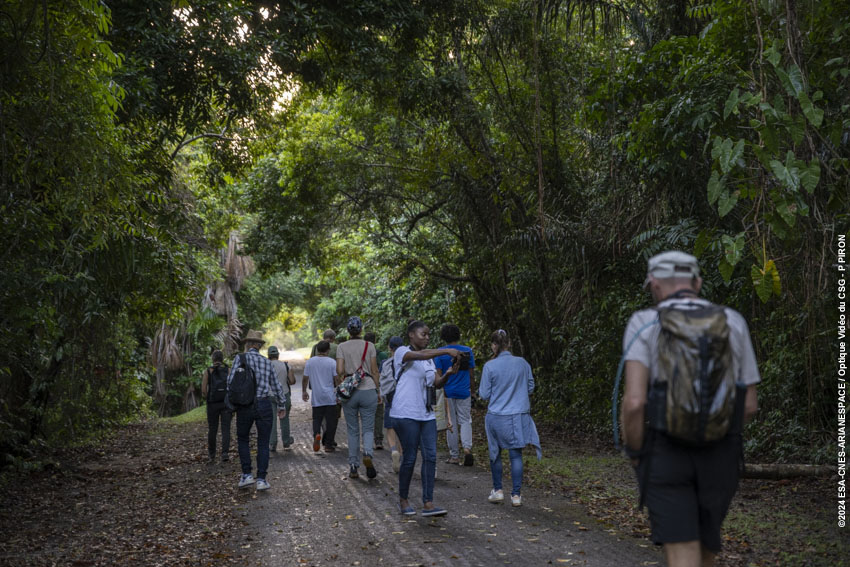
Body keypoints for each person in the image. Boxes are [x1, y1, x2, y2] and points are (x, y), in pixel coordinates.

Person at [620, 251, 760, 567]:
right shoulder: (732, 321)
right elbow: (749, 404)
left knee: (681, 551)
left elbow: (634, 403)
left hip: (665, 451)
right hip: (721, 453)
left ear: (653, 284)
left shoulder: (645, 323)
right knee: (705, 550)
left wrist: (635, 451)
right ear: (697, 282)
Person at [391, 320, 461, 517]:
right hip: (405, 413)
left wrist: (447, 374)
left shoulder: (429, 360)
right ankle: (403, 500)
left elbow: (436, 384)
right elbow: (419, 355)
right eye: (423, 334)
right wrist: (446, 351)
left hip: (426, 414)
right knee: (411, 457)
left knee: (430, 456)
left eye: (429, 334)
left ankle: (428, 503)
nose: (427, 337)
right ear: (411, 334)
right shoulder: (402, 352)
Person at [478, 329, 541, 507]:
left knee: (495, 454)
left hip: (496, 416)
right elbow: (530, 387)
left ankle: (497, 491)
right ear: (510, 344)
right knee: (516, 456)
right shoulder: (522, 363)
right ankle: (516, 495)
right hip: (518, 415)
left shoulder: (489, 366)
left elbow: (484, 393)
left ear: (494, 345)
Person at [226, 330, 288, 491]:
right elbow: (276, 386)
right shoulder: (266, 362)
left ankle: (247, 475)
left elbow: (230, 382)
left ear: (248, 344)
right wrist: (282, 405)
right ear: (259, 346)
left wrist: (233, 401)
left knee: (243, 439)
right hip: (263, 404)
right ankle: (261, 479)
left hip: (245, 406)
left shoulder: (239, 358)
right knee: (263, 441)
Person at [336, 316, 381, 479]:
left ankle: (353, 466)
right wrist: (378, 391)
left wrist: (343, 382)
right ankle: (368, 453)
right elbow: (375, 370)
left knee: (352, 430)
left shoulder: (341, 346)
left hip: (350, 392)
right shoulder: (370, 346)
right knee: (368, 428)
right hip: (368, 388)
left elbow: (340, 370)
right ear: (361, 330)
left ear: (348, 331)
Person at [434, 324, 476, 466]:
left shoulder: (441, 353)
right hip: (464, 391)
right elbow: (471, 374)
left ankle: (454, 455)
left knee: (450, 422)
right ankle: (467, 448)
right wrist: (473, 390)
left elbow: (439, 375)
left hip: (447, 392)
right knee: (465, 420)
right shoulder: (467, 351)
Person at [302, 340, 340, 452]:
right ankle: (328, 445)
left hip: (316, 397)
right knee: (331, 421)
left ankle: (317, 435)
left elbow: (305, 378)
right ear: (328, 350)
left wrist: (304, 391)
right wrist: (339, 393)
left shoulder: (310, 362)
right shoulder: (332, 362)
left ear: (317, 349)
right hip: (330, 396)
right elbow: (336, 379)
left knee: (317, 419)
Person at [200, 349, 232, 463]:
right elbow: (232, 386)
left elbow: (204, 390)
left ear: (213, 359)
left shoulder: (208, 371)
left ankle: (212, 455)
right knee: (226, 428)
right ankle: (224, 453)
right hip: (226, 403)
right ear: (222, 359)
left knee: (212, 429)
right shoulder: (228, 370)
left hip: (212, 404)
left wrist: (207, 397)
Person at [379, 336, 404, 473]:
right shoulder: (407, 362)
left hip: (390, 396)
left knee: (390, 427)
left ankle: (394, 450)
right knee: (403, 426)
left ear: (390, 348)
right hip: (404, 397)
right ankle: (402, 454)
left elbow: (382, 380)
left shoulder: (385, 363)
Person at [267, 345, 296, 452]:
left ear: (268, 356)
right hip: (284, 394)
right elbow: (292, 381)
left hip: (270, 395)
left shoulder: (266, 365)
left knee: (272, 419)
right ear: (278, 355)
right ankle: (286, 441)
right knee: (285, 418)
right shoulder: (286, 365)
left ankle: (272, 443)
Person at [364, 332, 386, 450]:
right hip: (378, 387)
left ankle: (366, 440)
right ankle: (378, 440)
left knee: (366, 414)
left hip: (364, 387)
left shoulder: (360, 354)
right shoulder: (382, 355)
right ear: (375, 341)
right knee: (378, 414)